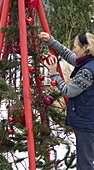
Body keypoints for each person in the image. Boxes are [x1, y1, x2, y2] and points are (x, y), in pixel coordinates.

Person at [39, 32, 94, 170]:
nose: (73, 49)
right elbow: (67, 54)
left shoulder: (87, 71)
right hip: (87, 119)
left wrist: (54, 73)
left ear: (85, 48)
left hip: (87, 123)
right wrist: (51, 41)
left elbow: (68, 91)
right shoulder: (87, 60)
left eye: (76, 47)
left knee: (85, 163)